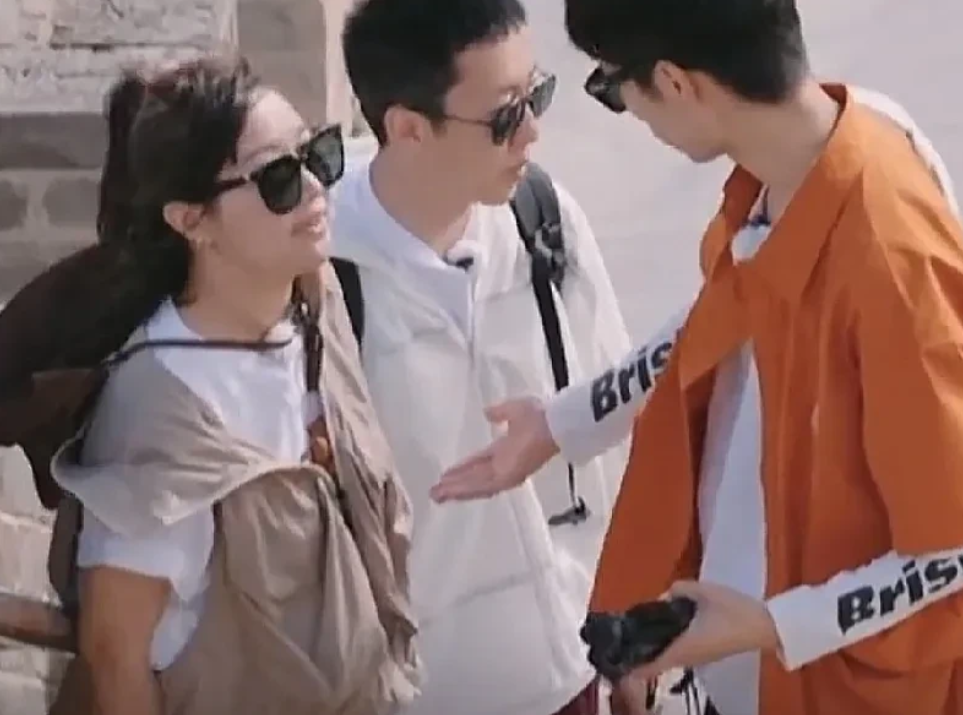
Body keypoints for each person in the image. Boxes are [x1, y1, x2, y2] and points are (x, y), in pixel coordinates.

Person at [432, 0, 963, 713]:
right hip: (746, 676)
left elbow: (950, 552)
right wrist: (561, 423)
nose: (628, 113)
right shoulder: (798, 165)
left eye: (612, 87)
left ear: (675, 83)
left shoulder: (891, 260)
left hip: (831, 690)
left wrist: (775, 625)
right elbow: (720, 313)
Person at [0, 54, 420, 715]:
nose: (315, 188)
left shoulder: (314, 302)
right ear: (190, 220)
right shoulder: (160, 415)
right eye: (278, 178)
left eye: (319, 153)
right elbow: (117, 658)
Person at [331, 0, 633, 713]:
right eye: (504, 115)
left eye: (537, 94)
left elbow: (627, 422)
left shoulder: (543, 221)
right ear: (407, 127)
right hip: (423, 695)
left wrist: (634, 630)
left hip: (579, 675)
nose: (532, 131)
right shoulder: (325, 280)